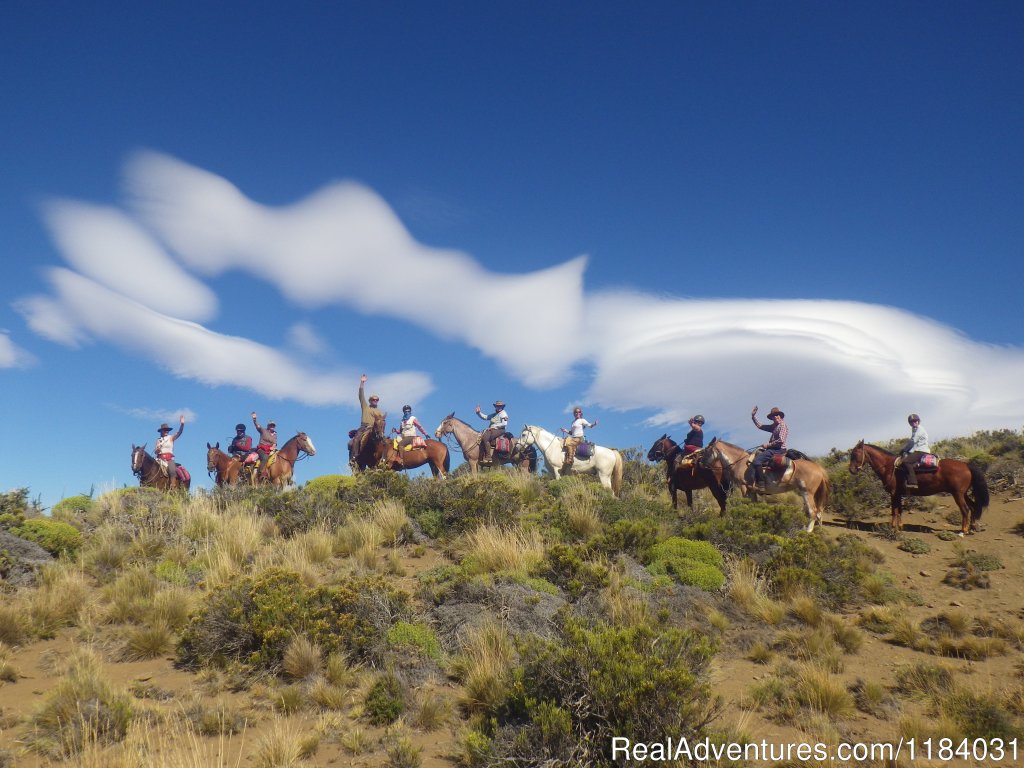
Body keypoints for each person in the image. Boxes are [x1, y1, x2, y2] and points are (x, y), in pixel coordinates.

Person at [750, 406, 788, 491]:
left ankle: (761, 484)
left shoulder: (782, 425)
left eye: (777, 415)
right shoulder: (774, 427)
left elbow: (781, 440)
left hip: (778, 449)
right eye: (773, 416)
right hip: (774, 449)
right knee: (759, 453)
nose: (775, 417)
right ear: (771, 418)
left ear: (780, 416)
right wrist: (753, 417)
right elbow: (760, 426)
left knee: (757, 461)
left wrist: (768, 445)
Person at [349, 374, 385, 466]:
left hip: (374, 429)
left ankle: (383, 459)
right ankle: (354, 457)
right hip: (364, 427)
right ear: (370, 401)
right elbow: (361, 395)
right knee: (356, 439)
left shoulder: (379, 412)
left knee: (384, 442)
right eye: (373, 399)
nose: (375, 401)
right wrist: (362, 382)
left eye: (377, 400)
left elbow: (381, 423)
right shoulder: (365, 407)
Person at [899, 413, 931, 489]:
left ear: (918, 421)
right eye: (911, 422)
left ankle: (913, 482)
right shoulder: (914, 429)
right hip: (917, 450)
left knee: (906, 461)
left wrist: (904, 450)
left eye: (915, 421)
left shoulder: (920, 430)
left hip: (921, 451)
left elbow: (912, 442)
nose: (914, 423)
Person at [475, 400, 508, 464]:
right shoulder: (495, 414)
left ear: (502, 407)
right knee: (483, 435)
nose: (498, 407)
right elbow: (485, 417)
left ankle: (488, 457)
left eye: (500, 406)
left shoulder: (503, 413)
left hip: (500, 430)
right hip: (492, 429)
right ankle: (482, 456)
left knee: (486, 438)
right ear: (495, 407)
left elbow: (504, 424)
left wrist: (494, 427)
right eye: (497, 406)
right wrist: (479, 413)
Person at [155, 415, 185, 486]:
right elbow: (156, 451)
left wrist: (182, 424)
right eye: (164, 430)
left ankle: (173, 485)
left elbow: (179, 432)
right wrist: (158, 449)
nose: (166, 431)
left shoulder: (171, 438)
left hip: (169, 459)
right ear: (161, 431)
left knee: (172, 470)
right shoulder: (158, 440)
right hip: (159, 458)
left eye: (167, 430)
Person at [251, 411, 278, 480]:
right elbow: (257, 426)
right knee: (265, 457)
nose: (272, 426)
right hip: (261, 449)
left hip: (271, 449)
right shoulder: (263, 430)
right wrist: (254, 420)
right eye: (271, 425)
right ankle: (261, 472)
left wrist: (273, 447)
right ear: (268, 426)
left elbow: (275, 443)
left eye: (273, 425)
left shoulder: (275, 434)